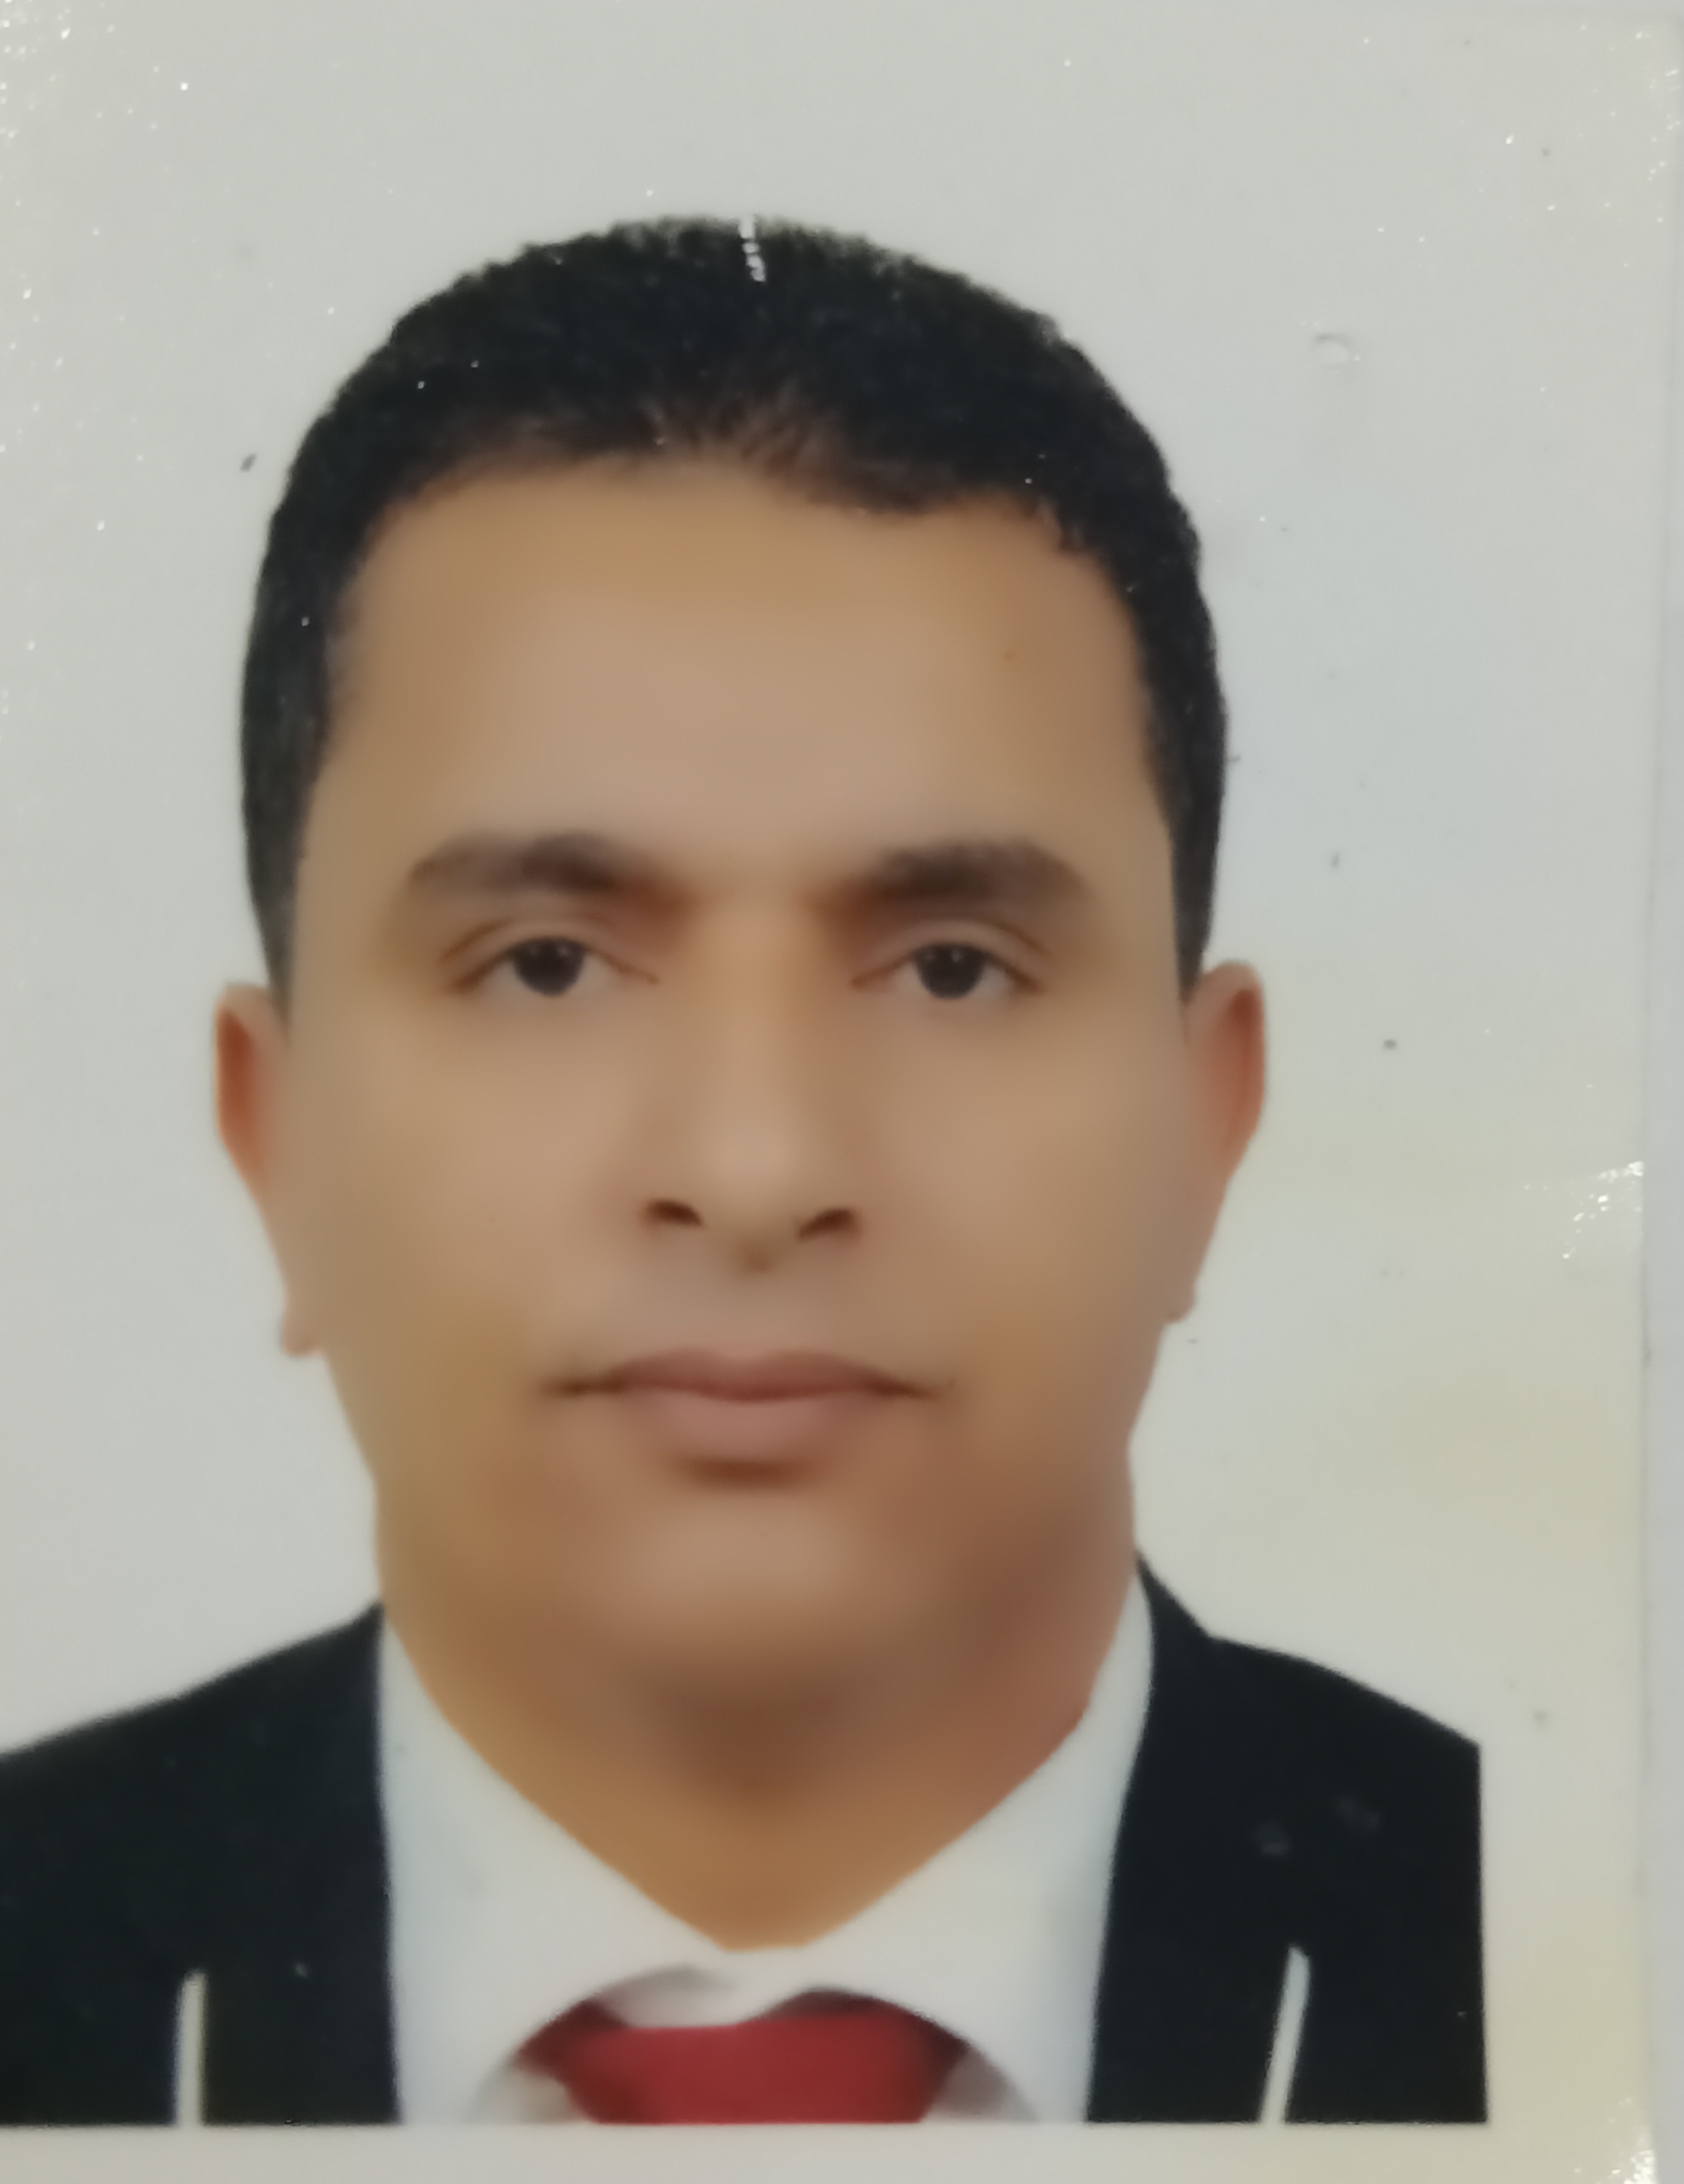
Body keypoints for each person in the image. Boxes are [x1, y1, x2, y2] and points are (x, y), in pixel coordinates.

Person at [0, 217, 1482, 2128]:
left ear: (1208, 1128)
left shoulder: (1567, 1935)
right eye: (547, 963)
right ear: (270, 1136)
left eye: (953, 967)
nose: (758, 1165)